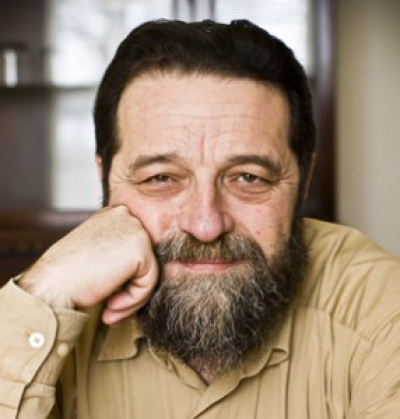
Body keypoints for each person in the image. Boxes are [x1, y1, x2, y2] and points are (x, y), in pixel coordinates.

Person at [0, 19, 400, 419]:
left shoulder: (379, 310)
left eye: (249, 177)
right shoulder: (57, 309)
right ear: (105, 177)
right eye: (161, 178)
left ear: (304, 179)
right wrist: (46, 291)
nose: (206, 225)